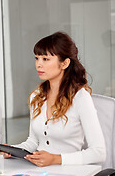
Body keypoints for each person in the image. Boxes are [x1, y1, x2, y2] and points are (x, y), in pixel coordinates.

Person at [10, 32, 106, 166]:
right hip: (39, 171)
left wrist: (56, 159)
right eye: (37, 58)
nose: (38, 64)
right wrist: (11, 150)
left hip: (70, 175)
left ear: (65, 63)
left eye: (45, 59)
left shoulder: (80, 97)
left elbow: (99, 153)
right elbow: (32, 142)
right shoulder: (37, 96)